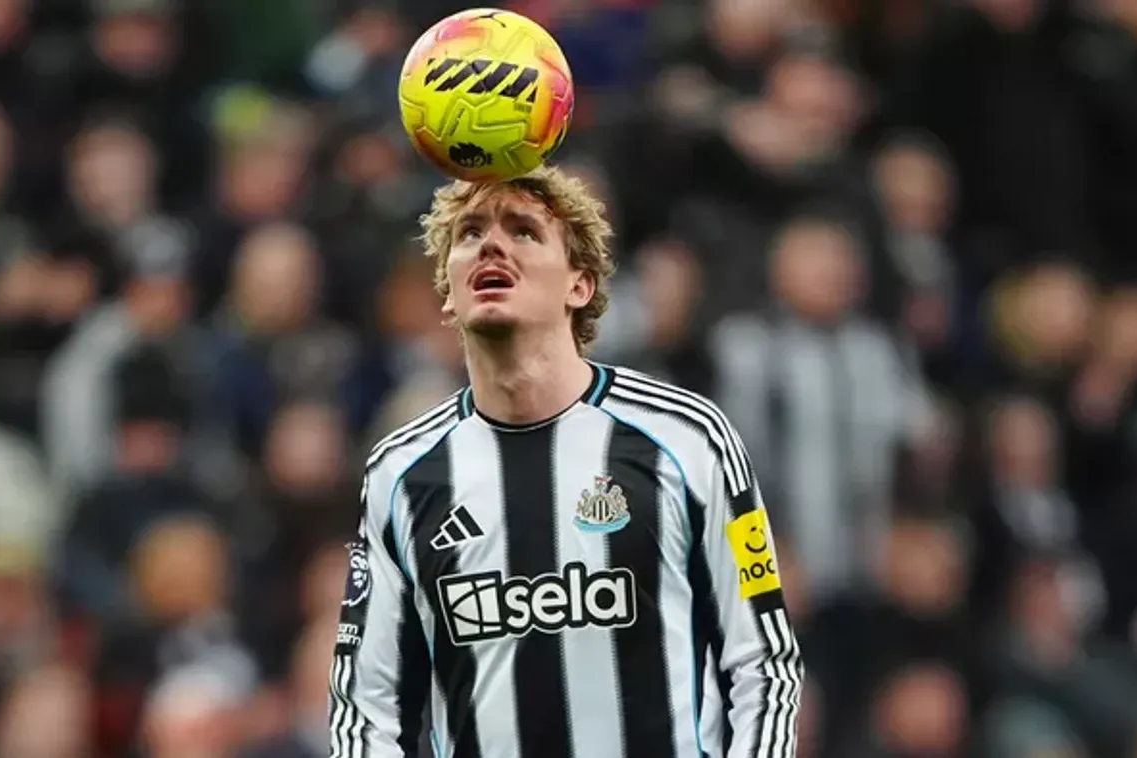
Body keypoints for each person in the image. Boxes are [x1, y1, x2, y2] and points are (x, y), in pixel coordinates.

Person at [329, 165, 804, 758]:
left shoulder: (687, 439)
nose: (492, 245)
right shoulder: (401, 474)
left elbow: (765, 663)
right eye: (470, 233)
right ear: (447, 291)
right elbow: (365, 708)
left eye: (524, 231)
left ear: (579, 285)